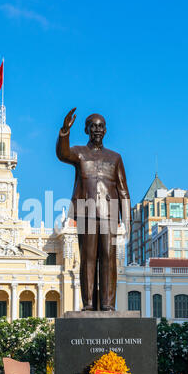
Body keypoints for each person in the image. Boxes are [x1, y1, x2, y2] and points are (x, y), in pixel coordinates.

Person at [56, 108, 131, 311]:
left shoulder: (115, 158)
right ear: (87, 129)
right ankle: (88, 303)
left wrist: (127, 222)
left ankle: (107, 304)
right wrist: (64, 131)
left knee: (108, 260)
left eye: (100, 126)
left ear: (105, 130)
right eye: (93, 126)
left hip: (110, 213)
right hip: (85, 212)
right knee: (88, 259)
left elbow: (123, 191)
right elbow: (62, 154)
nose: (97, 129)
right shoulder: (79, 153)